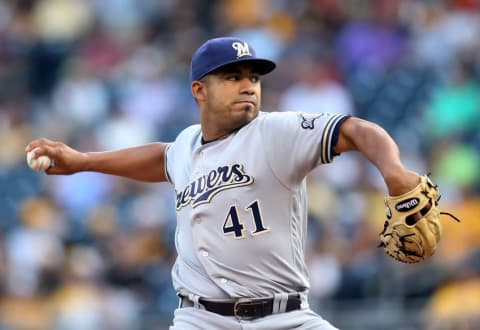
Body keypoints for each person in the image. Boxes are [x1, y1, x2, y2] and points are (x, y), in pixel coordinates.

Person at [26, 37, 421, 330]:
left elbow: (357, 131)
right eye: (233, 77)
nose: (248, 85)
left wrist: (395, 173)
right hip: (199, 319)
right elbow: (160, 158)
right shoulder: (186, 145)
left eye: (253, 77)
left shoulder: (276, 132)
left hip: (284, 318)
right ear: (199, 90)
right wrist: (83, 161)